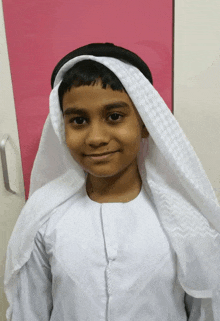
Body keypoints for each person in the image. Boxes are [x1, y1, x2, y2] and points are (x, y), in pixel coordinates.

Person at [4, 43, 220, 320]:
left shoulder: (186, 221)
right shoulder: (42, 219)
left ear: (145, 123)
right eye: (79, 120)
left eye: (114, 117)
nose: (96, 137)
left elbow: (206, 309)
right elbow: (28, 312)